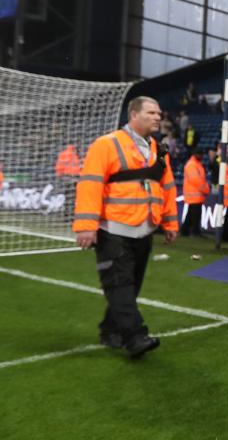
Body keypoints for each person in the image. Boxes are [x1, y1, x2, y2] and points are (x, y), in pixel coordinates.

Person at [72, 96, 178, 358]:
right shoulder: (106, 144)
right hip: (113, 229)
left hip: (144, 229)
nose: (158, 117)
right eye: (151, 112)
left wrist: (170, 222)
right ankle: (135, 337)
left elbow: (167, 187)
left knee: (130, 286)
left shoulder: (158, 149)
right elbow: (90, 184)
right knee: (119, 284)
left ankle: (110, 330)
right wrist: (86, 226)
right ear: (133, 114)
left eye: (159, 112)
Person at [181, 149, 209, 237]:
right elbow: (196, 180)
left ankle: (185, 231)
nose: (202, 157)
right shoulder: (192, 165)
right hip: (194, 194)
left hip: (196, 195)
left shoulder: (196, 164)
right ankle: (195, 231)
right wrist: (205, 189)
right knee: (195, 215)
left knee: (191, 215)